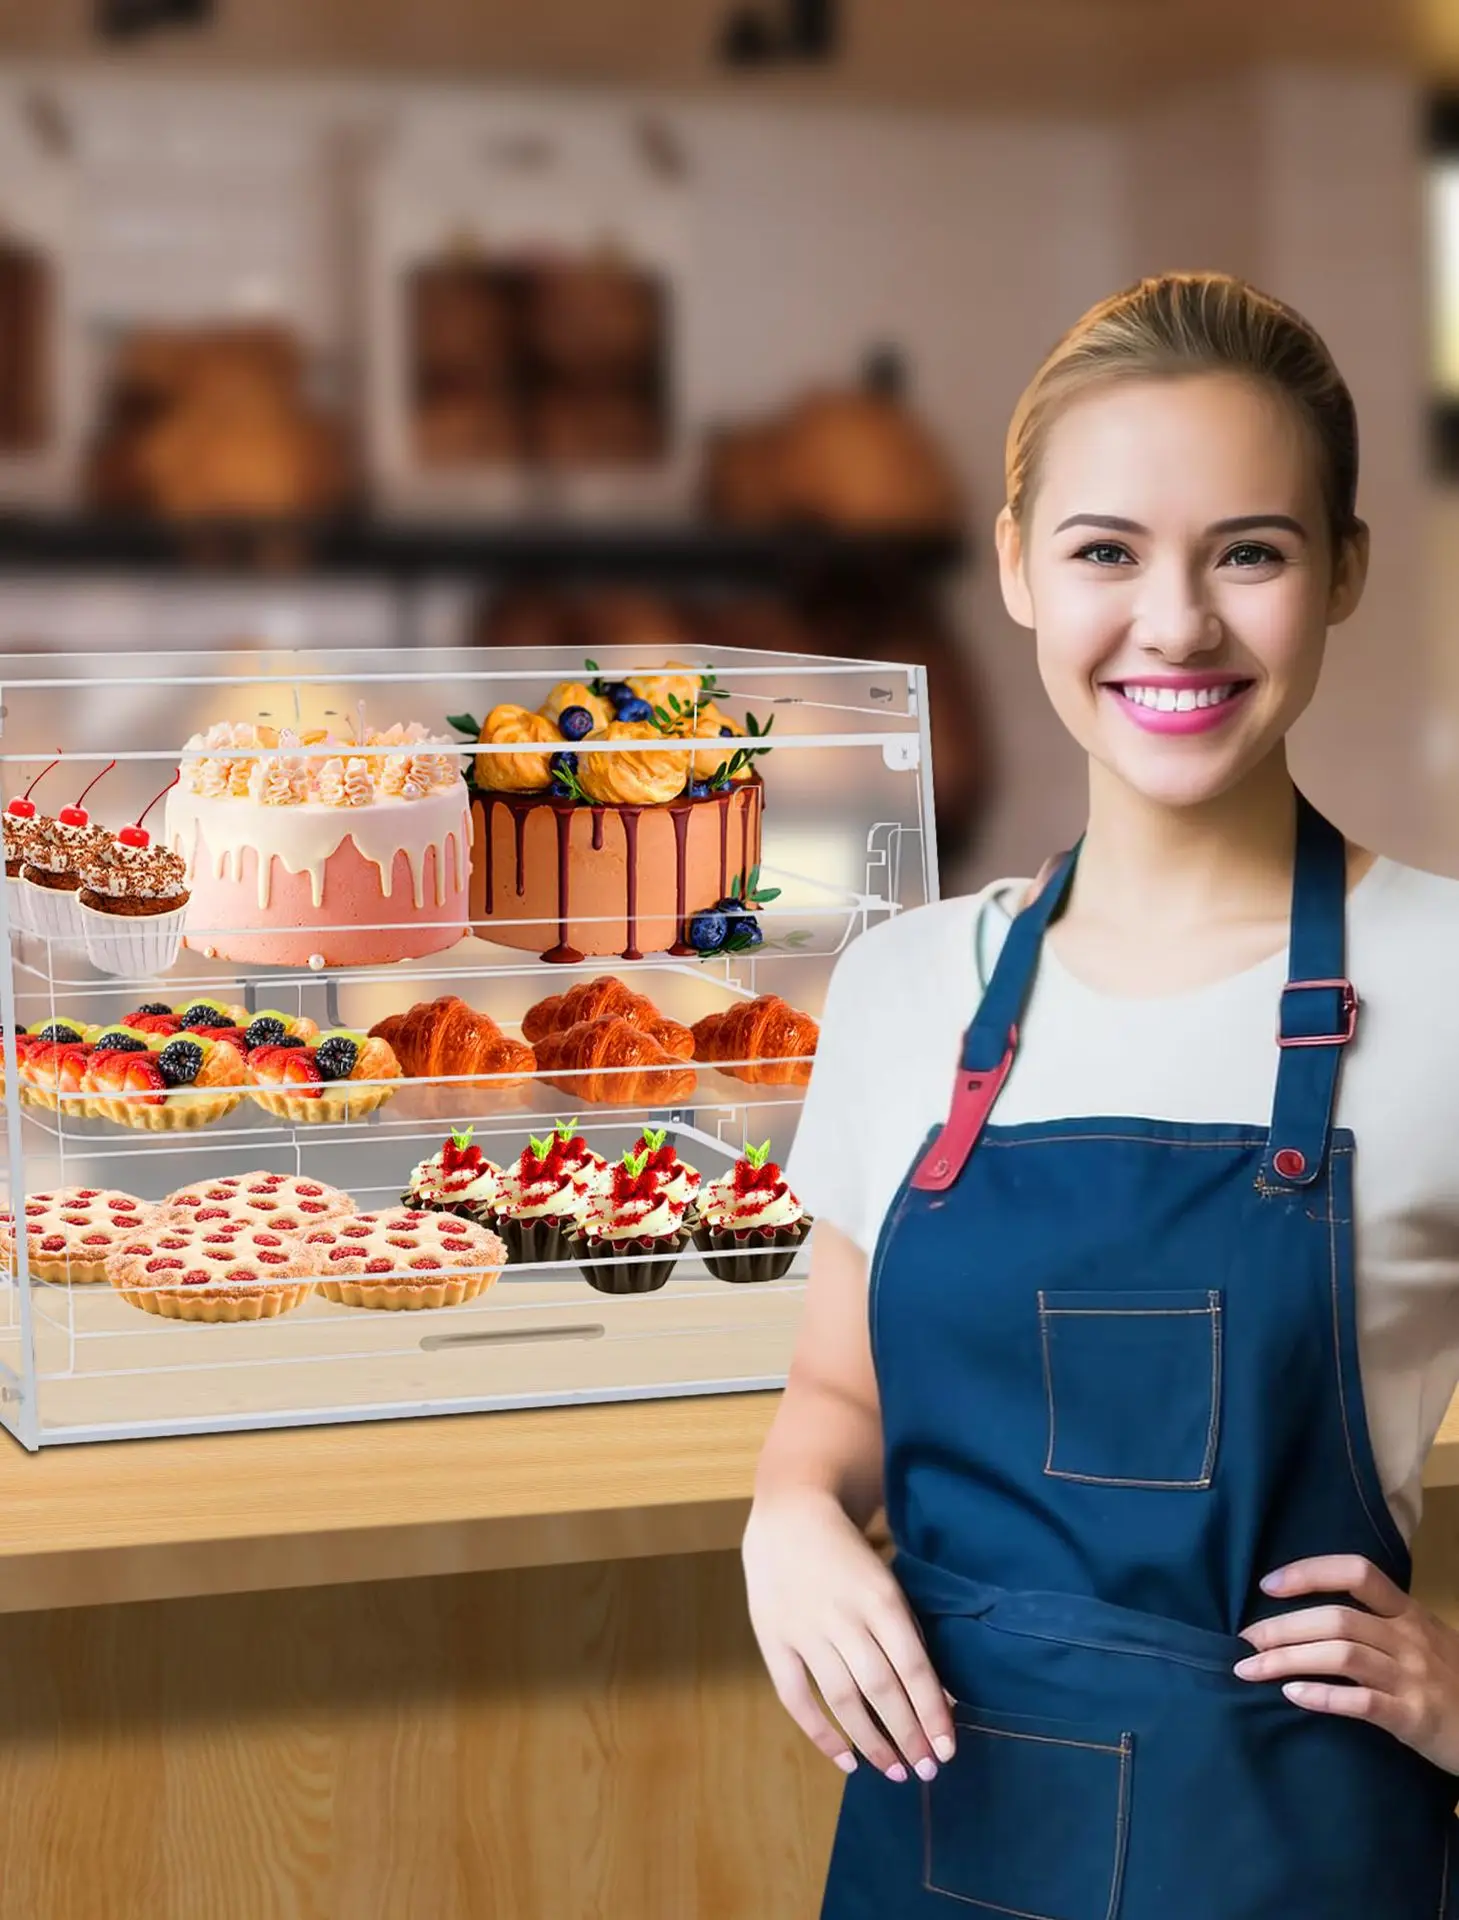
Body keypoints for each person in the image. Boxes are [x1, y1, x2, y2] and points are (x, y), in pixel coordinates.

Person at [742, 271, 1459, 1917]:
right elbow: (835, 1403)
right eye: (1105, 550)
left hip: (1302, 1859)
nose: (1175, 624)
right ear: (1014, 567)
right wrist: (784, 1517)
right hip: (942, 1856)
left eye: (1250, 553)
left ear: (1340, 573)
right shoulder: (905, 988)